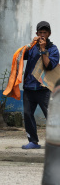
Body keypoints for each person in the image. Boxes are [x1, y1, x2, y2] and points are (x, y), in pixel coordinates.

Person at [22, 21, 59, 149]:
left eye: (45, 32)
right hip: (29, 88)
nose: (42, 35)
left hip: (44, 89)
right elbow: (21, 56)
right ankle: (33, 141)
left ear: (49, 34)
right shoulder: (32, 47)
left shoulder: (53, 49)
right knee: (27, 114)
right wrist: (30, 45)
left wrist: (43, 50)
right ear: (36, 33)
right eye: (40, 32)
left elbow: (49, 66)